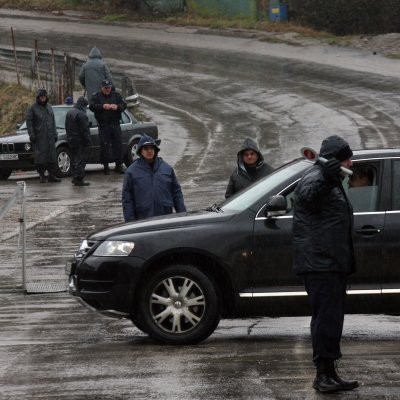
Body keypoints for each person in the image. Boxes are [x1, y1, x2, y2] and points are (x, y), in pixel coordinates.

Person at [292, 135, 359, 393]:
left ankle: (330, 372)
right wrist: (327, 176)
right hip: (320, 264)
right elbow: (306, 197)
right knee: (325, 319)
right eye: (347, 158)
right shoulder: (316, 177)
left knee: (331, 319)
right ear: (336, 161)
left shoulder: (330, 179)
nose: (351, 163)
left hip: (330, 263)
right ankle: (322, 376)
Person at [122, 134, 186, 222]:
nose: (149, 151)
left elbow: (177, 193)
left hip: (165, 219)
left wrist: (183, 215)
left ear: (155, 150)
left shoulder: (167, 169)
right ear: (140, 151)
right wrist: (130, 223)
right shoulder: (131, 172)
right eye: (146, 148)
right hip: (142, 221)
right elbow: (127, 200)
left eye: (151, 148)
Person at [89, 79, 127, 175]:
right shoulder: (96, 96)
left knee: (118, 145)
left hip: (115, 124)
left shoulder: (116, 95)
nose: (107, 90)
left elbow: (124, 105)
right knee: (105, 146)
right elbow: (91, 106)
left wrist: (117, 107)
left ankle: (119, 165)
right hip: (103, 125)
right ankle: (106, 167)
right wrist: (102, 106)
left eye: (109, 88)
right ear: (101, 88)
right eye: (105, 88)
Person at [26, 88, 61, 183]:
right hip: (39, 137)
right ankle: (42, 175)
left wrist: (55, 133)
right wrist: (31, 134)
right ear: (38, 97)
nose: (43, 98)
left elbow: (53, 121)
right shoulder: (32, 108)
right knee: (40, 158)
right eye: (41, 96)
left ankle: (51, 175)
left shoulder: (49, 107)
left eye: (44, 96)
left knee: (52, 157)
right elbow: (29, 123)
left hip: (50, 137)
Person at [65, 96, 91, 186]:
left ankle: (74, 177)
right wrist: (88, 141)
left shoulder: (69, 112)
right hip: (80, 141)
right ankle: (79, 178)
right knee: (81, 160)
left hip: (71, 140)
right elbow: (85, 130)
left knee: (74, 159)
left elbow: (67, 127)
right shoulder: (82, 114)